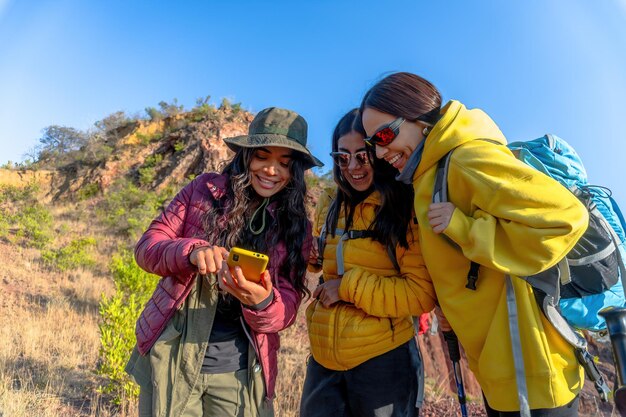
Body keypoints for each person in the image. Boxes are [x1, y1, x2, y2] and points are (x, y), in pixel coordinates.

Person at [359, 72, 589, 416]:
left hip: (530, 372)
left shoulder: (464, 159)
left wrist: (465, 228)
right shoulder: (429, 175)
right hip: (504, 371)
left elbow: (565, 218)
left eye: (385, 135)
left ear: (420, 119)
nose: (380, 151)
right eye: (372, 144)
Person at [124, 107, 323, 417]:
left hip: (239, 370)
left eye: (284, 164)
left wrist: (263, 302)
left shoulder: (296, 224)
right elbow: (147, 248)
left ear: (294, 171)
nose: (272, 170)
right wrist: (190, 252)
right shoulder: (203, 190)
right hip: (174, 356)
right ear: (246, 156)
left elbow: (287, 307)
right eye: (263, 157)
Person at [299, 109, 437, 417]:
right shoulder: (330, 202)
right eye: (342, 157)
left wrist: (346, 288)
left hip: (384, 359)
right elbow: (325, 260)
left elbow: (420, 294)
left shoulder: (403, 206)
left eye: (362, 156)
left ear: (378, 151)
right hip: (323, 359)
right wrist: (312, 260)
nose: (353, 167)